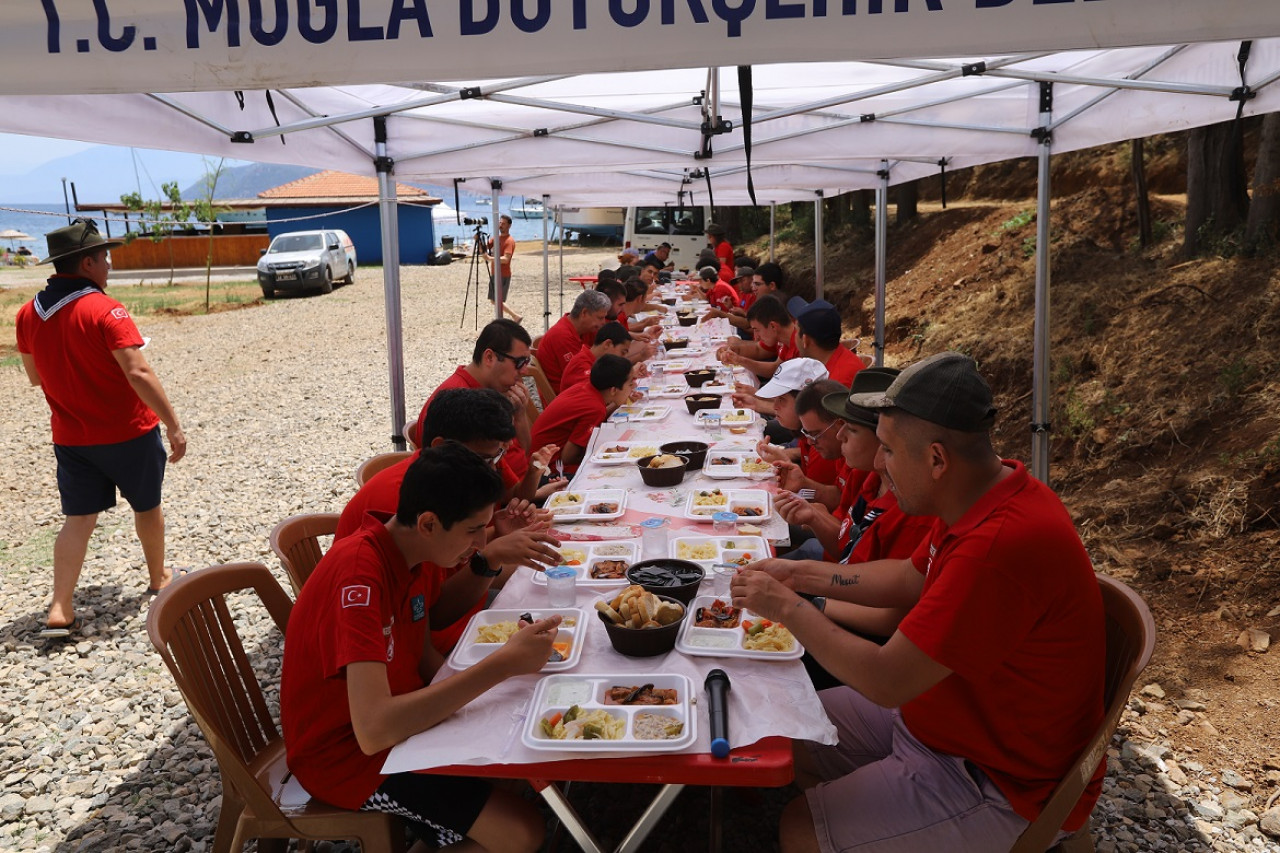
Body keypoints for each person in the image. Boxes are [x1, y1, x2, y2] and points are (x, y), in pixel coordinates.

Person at [730, 352, 1106, 853]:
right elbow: (907, 577)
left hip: (997, 777)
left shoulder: (998, 547)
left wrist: (787, 607)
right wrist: (796, 574)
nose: (877, 464)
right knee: (784, 729)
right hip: (940, 720)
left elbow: (887, 680)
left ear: (936, 459)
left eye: (888, 450)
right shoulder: (983, 493)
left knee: (799, 828)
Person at [283, 443, 554, 853]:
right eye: (473, 530)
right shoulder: (360, 577)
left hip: (399, 720)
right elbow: (374, 731)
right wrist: (500, 667)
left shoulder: (414, 551)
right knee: (521, 833)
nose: (479, 542)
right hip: (347, 757)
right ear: (428, 523)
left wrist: (487, 698)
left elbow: (421, 649)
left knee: (515, 759)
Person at [16, 219, 187, 638]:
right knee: (147, 507)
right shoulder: (105, 309)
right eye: (104, 258)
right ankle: (159, 577)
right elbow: (138, 372)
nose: (109, 265)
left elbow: (35, 377)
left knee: (78, 519)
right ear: (87, 263)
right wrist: (174, 425)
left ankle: (60, 606)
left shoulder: (27, 313)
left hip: (71, 438)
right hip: (128, 432)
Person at [338, 389, 563, 653]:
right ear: (441, 446)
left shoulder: (449, 481)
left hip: (448, 620)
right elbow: (434, 615)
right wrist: (490, 556)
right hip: (425, 639)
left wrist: (496, 536)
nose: (493, 468)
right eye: (486, 459)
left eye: (500, 457)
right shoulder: (411, 503)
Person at [411, 318, 535, 483]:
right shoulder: (459, 404)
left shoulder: (495, 392)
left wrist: (519, 415)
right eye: (519, 362)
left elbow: (524, 454)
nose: (525, 370)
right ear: (489, 357)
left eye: (527, 362)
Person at [530, 354, 635, 473]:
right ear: (613, 390)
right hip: (549, 467)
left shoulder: (585, 387)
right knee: (623, 468)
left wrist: (617, 404)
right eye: (630, 384)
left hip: (536, 458)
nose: (634, 386)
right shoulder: (595, 408)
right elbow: (568, 457)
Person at [535, 289, 611, 390]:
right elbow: (580, 376)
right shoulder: (562, 336)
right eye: (600, 318)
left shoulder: (585, 328)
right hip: (568, 394)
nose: (603, 322)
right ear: (584, 313)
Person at [787, 296, 864, 387]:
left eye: (796, 330)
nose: (794, 335)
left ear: (805, 340)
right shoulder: (837, 359)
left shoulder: (834, 384)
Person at [560, 321, 632, 393]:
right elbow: (600, 395)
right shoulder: (582, 365)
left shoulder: (596, 361)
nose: (623, 358)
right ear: (607, 344)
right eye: (623, 352)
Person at [485, 214, 520, 323]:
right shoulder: (496, 238)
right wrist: (478, 240)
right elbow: (484, 248)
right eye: (500, 223)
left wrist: (490, 258)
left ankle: (514, 316)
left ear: (509, 226)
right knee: (494, 300)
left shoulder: (509, 241)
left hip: (503, 274)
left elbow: (506, 259)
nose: (500, 225)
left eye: (503, 224)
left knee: (497, 300)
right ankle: (512, 317)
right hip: (494, 273)